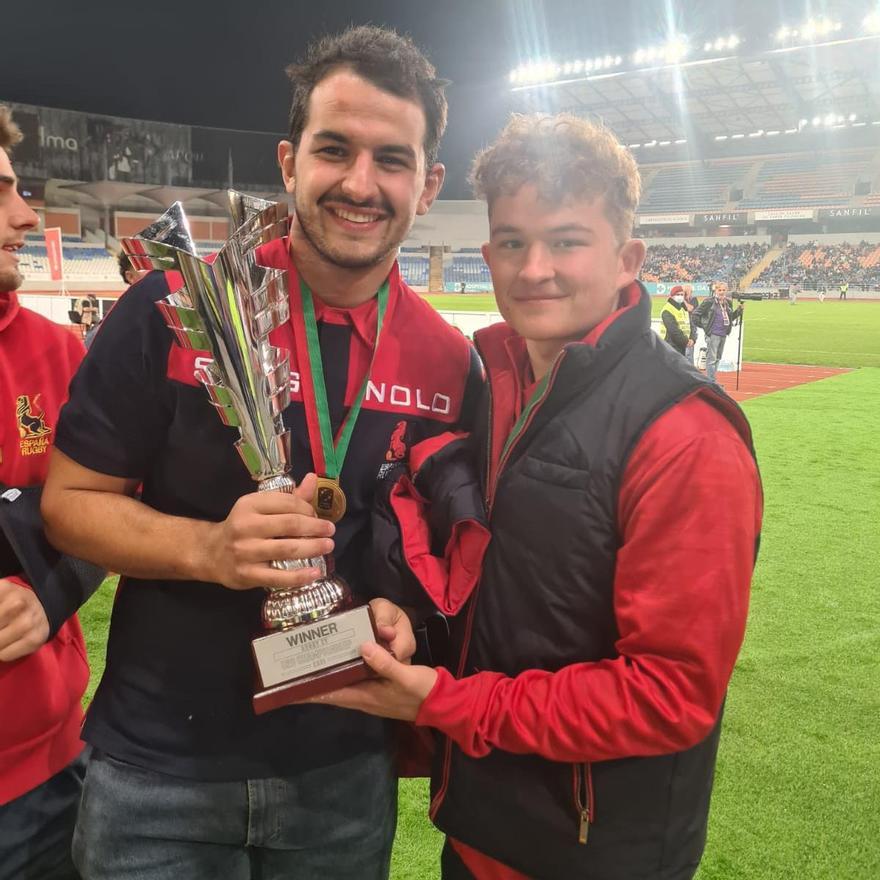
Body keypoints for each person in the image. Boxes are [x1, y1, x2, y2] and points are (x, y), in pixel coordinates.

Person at [41, 27, 481, 880]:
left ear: (428, 186)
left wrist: (406, 616)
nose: (360, 183)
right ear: (288, 162)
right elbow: (69, 502)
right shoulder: (174, 307)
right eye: (334, 149)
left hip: (341, 772)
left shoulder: (447, 361)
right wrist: (205, 549)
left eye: (392, 159)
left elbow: (430, 548)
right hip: (157, 771)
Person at [317, 114, 763, 880]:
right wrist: (413, 632)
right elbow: (507, 593)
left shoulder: (686, 435)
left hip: (593, 851)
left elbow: (669, 695)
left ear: (627, 259)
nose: (535, 269)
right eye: (514, 243)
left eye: (566, 240)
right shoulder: (490, 383)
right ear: (486, 254)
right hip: (484, 826)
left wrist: (447, 704)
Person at [0, 105, 90, 880]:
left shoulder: (57, 353)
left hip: (41, 776)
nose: (25, 215)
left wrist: (50, 595)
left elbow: (109, 517)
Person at [693, 281, 743, 382]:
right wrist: (705, 327)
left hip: (723, 333)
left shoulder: (727, 302)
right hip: (713, 334)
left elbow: (730, 317)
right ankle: (712, 382)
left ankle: (712, 380)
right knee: (711, 359)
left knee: (718, 358)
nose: (722, 292)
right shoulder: (709, 301)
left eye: (724, 290)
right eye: (719, 290)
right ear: (715, 290)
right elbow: (695, 315)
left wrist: (738, 311)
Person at [658, 283, 690, 355]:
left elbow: (687, 325)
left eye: (682, 295)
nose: (680, 296)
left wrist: (690, 339)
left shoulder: (682, 308)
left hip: (680, 345)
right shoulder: (667, 309)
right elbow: (673, 330)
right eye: (678, 294)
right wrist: (686, 341)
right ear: (672, 296)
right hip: (670, 344)